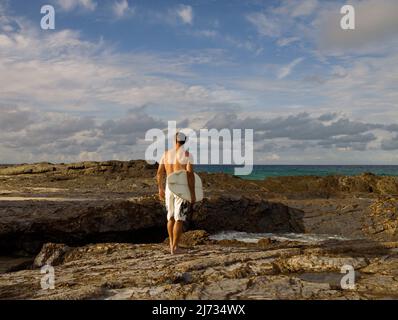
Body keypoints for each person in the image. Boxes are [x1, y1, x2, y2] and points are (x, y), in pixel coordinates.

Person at [157, 132, 196, 255]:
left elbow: (159, 173)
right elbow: (190, 175)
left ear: (175, 140)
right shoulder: (187, 155)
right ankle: (175, 248)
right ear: (185, 141)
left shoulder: (166, 154)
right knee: (179, 219)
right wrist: (192, 193)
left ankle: (171, 245)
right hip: (181, 188)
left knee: (171, 217)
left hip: (169, 186)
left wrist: (160, 188)